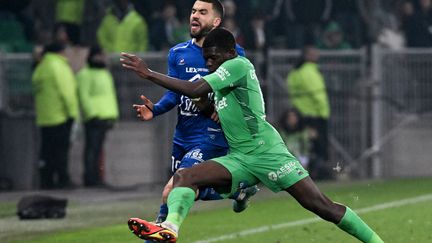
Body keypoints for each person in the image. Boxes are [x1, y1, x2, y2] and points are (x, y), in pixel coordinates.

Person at [121, 28, 384, 243]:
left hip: (269, 154)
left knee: (321, 206)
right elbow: (208, 101)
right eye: (206, 59)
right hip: (239, 157)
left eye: (213, 58)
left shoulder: (238, 65)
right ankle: (170, 228)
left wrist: (148, 73)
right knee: (185, 176)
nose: (209, 63)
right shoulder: (222, 84)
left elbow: (194, 88)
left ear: (230, 53)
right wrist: (190, 108)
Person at [130, 0, 258, 233]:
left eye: (202, 12)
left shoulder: (233, 54)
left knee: (171, 189)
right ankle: (238, 188)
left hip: (211, 135)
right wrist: (156, 109)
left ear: (216, 21)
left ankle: (162, 231)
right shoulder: (177, 53)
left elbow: (240, 91)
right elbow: (174, 93)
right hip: (183, 135)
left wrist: (226, 111)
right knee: (192, 190)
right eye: (193, 11)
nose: (194, 16)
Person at [32, 42, 79, 189]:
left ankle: (46, 181)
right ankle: (63, 180)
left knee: (47, 152)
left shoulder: (41, 67)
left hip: (44, 117)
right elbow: (67, 92)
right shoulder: (59, 66)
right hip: (60, 116)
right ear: (60, 52)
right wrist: (73, 113)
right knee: (61, 151)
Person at [286, 46, 332, 180]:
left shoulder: (295, 72)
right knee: (318, 146)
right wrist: (324, 113)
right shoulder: (309, 72)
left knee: (304, 146)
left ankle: (304, 174)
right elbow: (318, 95)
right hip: (315, 115)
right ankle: (319, 175)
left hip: (300, 113)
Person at [76, 45, 119, 187]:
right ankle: (90, 178)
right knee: (92, 149)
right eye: (99, 55)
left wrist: (113, 115)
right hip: (95, 117)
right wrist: (92, 114)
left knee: (97, 149)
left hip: (105, 116)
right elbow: (84, 96)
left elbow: (109, 96)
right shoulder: (85, 74)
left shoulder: (104, 73)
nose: (102, 58)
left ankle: (96, 178)